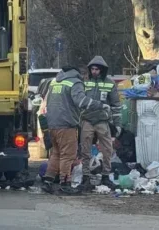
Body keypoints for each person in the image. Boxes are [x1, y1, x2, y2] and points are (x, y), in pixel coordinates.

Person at [41, 66, 104, 195]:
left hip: (52, 124)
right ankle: (65, 183)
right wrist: (100, 105)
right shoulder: (75, 82)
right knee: (68, 155)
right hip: (66, 124)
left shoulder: (55, 81)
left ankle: (48, 181)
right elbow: (81, 101)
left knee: (56, 154)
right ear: (80, 73)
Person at [80, 56, 121, 190]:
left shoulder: (110, 83)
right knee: (85, 149)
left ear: (102, 70)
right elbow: (78, 101)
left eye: (97, 69)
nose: (94, 71)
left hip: (103, 121)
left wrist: (117, 124)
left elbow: (116, 105)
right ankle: (85, 177)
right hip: (87, 120)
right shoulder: (84, 82)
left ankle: (105, 176)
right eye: (92, 69)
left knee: (107, 150)